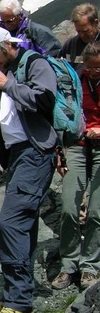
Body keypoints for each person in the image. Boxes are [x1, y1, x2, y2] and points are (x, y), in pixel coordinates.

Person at [0, 26, 58, 313]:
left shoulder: (35, 64)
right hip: (18, 154)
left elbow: (44, 100)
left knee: (10, 223)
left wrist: (8, 84)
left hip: (36, 154)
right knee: (22, 224)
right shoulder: (10, 71)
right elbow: (20, 118)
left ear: (6, 46)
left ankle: (20, 304)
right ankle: (16, 295)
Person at [0, 0, 62, 195]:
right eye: (3, 20)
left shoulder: (33, 31)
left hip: (26, 81)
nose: (7, 23)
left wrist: (37, 68)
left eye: (10, 19)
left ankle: (53, 157)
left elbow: (53, 52)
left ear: (20, 15)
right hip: (5, 85)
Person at [52, 41, 100, 291]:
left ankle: (90, 265)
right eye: (90, 68)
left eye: (98, 69)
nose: (93, 73)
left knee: (96, 212)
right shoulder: (75, 81)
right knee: (70, 206)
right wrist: (59, 151)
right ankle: (69, 263)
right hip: (78, 145)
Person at [59, 3, 100, 73]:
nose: (81, 35)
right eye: (78, 31)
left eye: (85, 31)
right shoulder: (71, 45)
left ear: (96, 22)